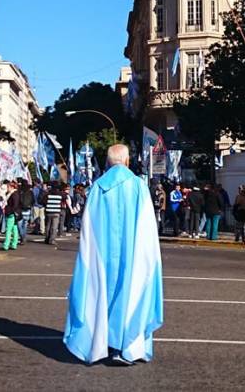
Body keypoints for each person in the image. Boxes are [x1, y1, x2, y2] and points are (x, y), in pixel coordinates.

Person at [64, 144, 163, 365]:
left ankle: (101, 341)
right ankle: (125, 346)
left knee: (100, 291)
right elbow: (147, 225)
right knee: (132, 290)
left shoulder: (98, 187)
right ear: (127, 161)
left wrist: (88, 252)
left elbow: (88, 225)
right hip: (133, 251)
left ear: (108, 162)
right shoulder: (138, 186)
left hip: (102, 253)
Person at [2, 180, 21, 251]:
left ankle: (6, 245)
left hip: (11, 213)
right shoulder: (15, 193)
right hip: (14, 213)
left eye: (8, 187)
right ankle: (14, 244)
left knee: (9, 229)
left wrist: (9, 211)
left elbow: (14, 205)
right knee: (14, 228)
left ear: (12, 187)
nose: (7, 188)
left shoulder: (13, 194)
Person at [17, 179, 33, 244]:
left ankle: (22, 236)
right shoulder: (30, 192)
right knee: (25, 224)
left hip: (20, 209)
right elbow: (33, 200)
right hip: (28, 210)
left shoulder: (19, 191)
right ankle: (24, 237)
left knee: (19, 224)